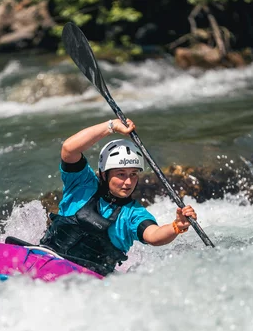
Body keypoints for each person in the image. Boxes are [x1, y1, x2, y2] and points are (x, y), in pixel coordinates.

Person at [39, 118, 198, 276]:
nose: (128, 182)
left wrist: (176, 226)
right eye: (121, 174)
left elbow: (154, 235)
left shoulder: (132, 214)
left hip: (87, 282)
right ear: (104, 174)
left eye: (133, 174)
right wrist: (111, 126)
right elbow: (69, 149)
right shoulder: (82, 185)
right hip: (43, 259)